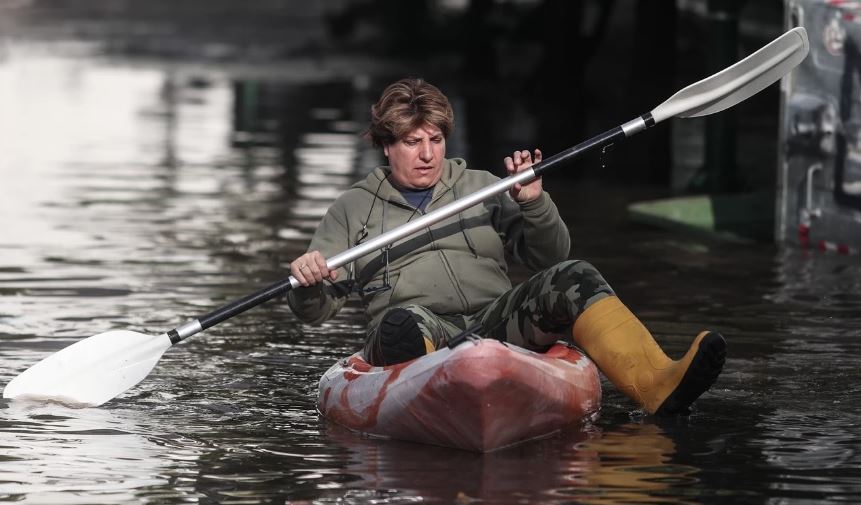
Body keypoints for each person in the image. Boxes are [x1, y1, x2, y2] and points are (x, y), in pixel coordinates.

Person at [287, 77, 726, 416]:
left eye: (435, 140)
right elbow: (316, 310)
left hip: (492, 326)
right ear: (386, 145)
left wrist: (534, 202)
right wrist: (307, 283)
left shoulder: (483, 187)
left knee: (575, 276)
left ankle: (657, 381)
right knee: (401, 325)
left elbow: (551, 257)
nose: (427, 154)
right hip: (418, 336)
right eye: (412, 141)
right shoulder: (352, 209)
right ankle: (434, 406)